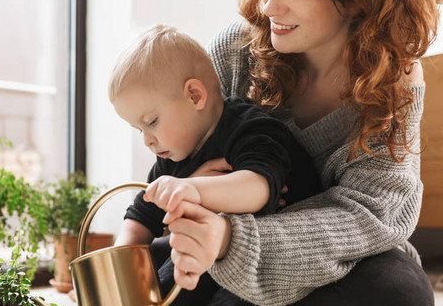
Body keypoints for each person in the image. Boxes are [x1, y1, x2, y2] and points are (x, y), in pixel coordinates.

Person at [130, 0, 443, 306]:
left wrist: (229, 241)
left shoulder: (393, 83)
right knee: (145, 282)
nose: (270, 4)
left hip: (339, 251)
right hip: (233, 242)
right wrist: (198, 191)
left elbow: (369, 215)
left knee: (399, 305)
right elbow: (178, 156)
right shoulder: (234, 53)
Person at [109, 23, 321, 249]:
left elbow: (260, 187)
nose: (147, 141)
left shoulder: (249, 127)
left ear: (194, 96)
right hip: (219, 248)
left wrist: (193, 190)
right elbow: (143, 212)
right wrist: (120, 255)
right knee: (158, 259)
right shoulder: (172, 157)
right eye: (139, 130)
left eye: (152, 122)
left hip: (283, 251)